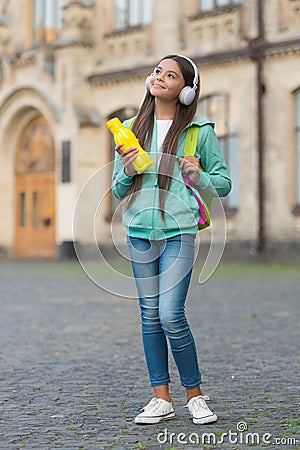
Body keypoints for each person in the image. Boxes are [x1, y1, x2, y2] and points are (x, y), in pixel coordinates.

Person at [111, 54, 231, 425]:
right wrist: (129, 168)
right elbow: (117, 190)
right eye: (156, 72)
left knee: (170, 314)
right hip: (139, 233)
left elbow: (223, 185)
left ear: (186, 90)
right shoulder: (131, 127)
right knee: (149, 316)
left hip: (179, 230)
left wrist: (199, 176)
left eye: (170, 74)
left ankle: (194, 395)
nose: (159, 77)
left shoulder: (200, 132)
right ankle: (160, 398)